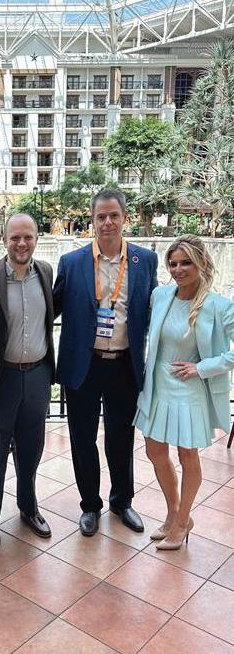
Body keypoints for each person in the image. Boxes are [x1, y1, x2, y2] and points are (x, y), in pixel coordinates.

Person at [54, 189, 158, 536]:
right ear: (93, 220)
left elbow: (156, 310)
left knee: (121, 438)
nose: (108, 222)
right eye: (101, 217)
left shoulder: (145, 260)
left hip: (125, 365)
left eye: (114, 215)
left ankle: (122, 501)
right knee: (83, 438)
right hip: (84, 366)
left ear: (125, 218)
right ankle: (90, 505)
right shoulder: (71, 262)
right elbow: (50, 308)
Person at [135, 234, 234, 549]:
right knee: (155, 452)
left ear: (201, 262)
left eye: (186, 263)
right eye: (173, 263)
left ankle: (181, 522)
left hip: (189, 388)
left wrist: (202, 368)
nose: (178, 269)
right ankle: (174, 513)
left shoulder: (219, 305)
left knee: (187, 455)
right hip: (157, 386)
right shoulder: (161, 295)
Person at [0, 214, 55, 547]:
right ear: (4, 240)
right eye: (15, 238)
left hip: (38, 375)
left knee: (31, 449)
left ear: (37, 238)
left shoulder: (46, 272)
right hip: (2, 379)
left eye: (28, 237)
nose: (21, 243)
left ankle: (29, 508)